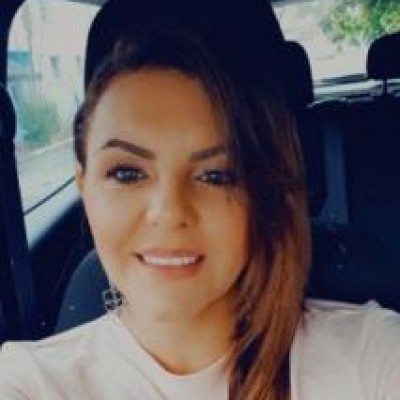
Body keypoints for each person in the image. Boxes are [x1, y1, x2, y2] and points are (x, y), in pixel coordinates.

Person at [0, 29, 399, 400]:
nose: (168, 212)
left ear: (262, 196)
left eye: (215, 176)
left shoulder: (371, 356)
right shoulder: (30, 381)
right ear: (83, 186)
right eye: (127, 173)